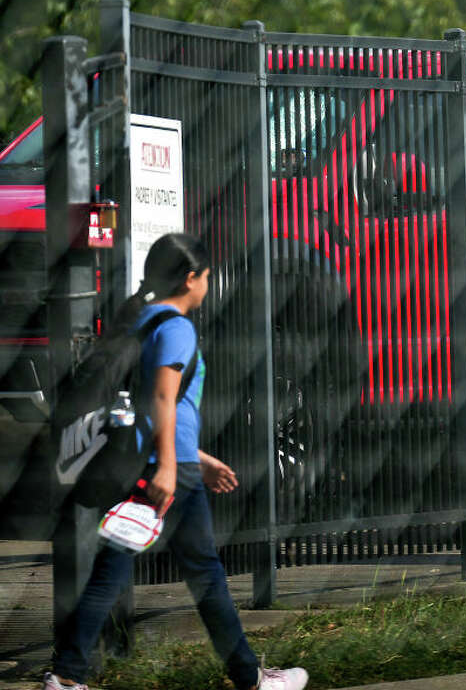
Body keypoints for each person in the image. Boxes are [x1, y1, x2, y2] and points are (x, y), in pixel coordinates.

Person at [43, 233, 307, 690]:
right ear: (191, 279)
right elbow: (164, 396)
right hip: (165, 473)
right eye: (205, 277)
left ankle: (67, 676)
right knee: (201, 575)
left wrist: (195, 457)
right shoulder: (177, 326)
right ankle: (251, 680)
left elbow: (157, 405)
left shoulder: (140, 320)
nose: (207, 284)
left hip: (159, 463)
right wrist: (170, 465)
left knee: (129, 570)